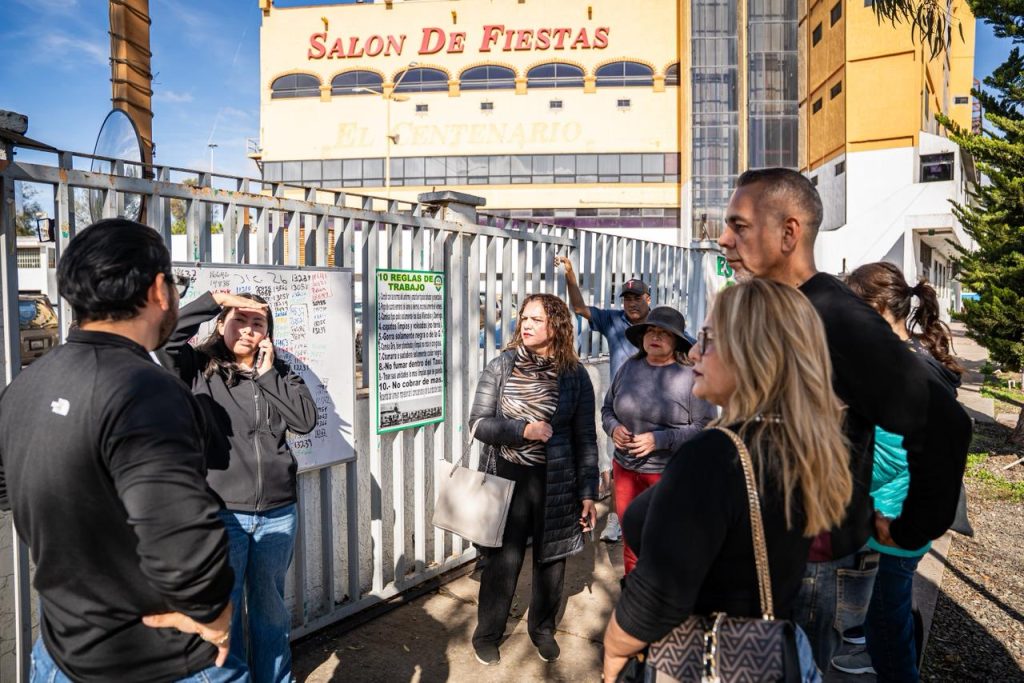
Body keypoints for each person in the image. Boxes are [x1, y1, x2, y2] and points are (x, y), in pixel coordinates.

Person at [719, 168, 973, 670]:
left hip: (811, 562)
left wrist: (911, 528)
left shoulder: (835, 317)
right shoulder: (782, 310)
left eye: (739, 225)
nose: (724, 239)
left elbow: (945, 424)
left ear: (788, 232)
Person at [0, 219, 237, 682]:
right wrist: (214, 612)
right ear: (158, 290)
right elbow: (183, 533)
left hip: (59, 652)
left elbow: (10, 491)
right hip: (156, 661)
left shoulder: (27, 384)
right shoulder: (145, 389)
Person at [603, 279, 851, 682]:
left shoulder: (717, 454)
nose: (693, 352)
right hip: (772, 650)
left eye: (707, 339)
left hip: (713, 657)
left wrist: (615, 648)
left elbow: (659, 593)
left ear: (749, 352)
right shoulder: (794, 438)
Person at [164, 289, 317, 683]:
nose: (248, 329)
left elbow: (304, 421)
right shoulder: (197, 367)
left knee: (271, 613)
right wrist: (212, 299)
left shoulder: (281, 373)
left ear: (268, 333)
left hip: (278, 512)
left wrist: (267, 375)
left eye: (258, 322)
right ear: (221, 325)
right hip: (222, 513)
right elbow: (164, 338)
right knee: (222, 615)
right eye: (239, 319)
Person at [832, 262, 965, 680]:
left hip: (894, 516)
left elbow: (892, 454)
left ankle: (893, 662)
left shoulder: (898, 369)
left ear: (875, 309)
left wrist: (844, 483)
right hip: (900, 510)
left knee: (885, 617)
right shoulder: (910, 355)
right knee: (889, 605)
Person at [468, 293, 599, 666]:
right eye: (524, 318)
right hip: (507, 475)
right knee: (502, 560)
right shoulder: (501, 366)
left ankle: (542, 629)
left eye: (536, 319)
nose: (526, 324)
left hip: (557, 478)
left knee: (551, 559)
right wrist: (522, 430)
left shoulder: (574, 375)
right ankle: (487, 633)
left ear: (556, 326)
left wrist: (588, 492)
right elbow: (478, 424)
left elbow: (585, 438)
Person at [601, 305, 715, 574]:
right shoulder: (628, 368)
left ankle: (665, 596)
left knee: (668, 542)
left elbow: (706, 427)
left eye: (664, 333)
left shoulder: (690, 376)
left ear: (677, 341)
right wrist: (614, 428)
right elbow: (607, 409)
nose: (655, 336)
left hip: (668, 475)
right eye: (650, 330)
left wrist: (660, 439)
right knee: (632, 541)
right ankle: (634, 591)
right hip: (625, 471)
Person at [556, 255, 658, 543]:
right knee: (618, 468)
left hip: (654, 410)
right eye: (627, 299)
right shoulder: (613, 320)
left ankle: (651, 518)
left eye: (637, 298)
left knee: (653, 469)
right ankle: (615, 519)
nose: (632, 303)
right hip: (621, 410)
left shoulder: (659, 325)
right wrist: (570, 274)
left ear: (648, 299)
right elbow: (579, 308)